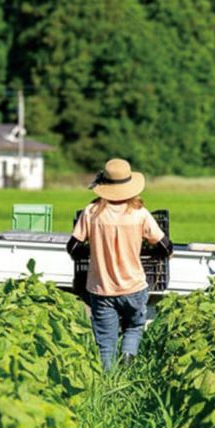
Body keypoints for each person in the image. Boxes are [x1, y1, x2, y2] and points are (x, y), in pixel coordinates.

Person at [66, 158, 173, 371]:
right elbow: (165, 247)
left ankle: (108, 380)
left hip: (101, 289)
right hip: (134, 287)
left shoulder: (91, 212)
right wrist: (143, 251)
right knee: (134, 326)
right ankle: (127, 359)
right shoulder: (139, 213)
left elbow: (73, 247)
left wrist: (95, 251)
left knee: (106, 342)